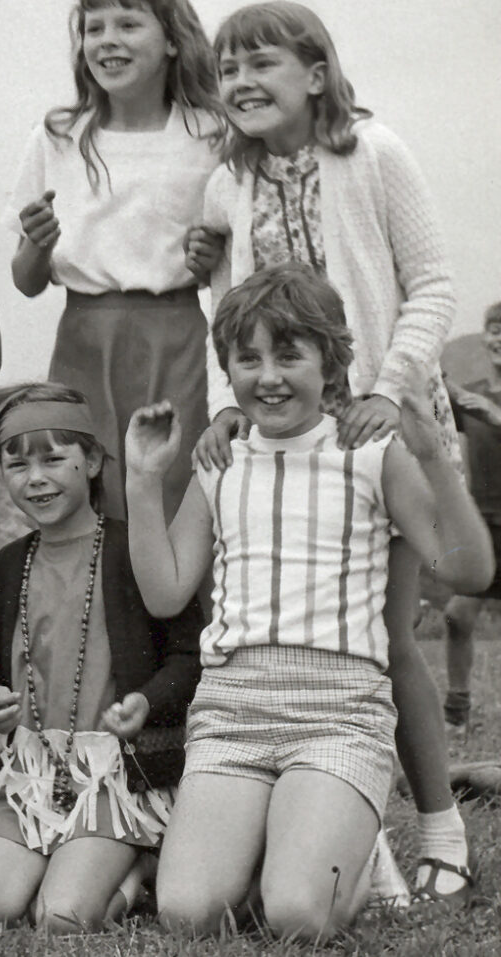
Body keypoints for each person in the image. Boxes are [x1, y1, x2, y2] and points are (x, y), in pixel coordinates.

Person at [187, 1, 470, 903]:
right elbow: (235, 316)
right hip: (281, 426)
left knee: (385, 636)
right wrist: (228, 403)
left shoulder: (373, 153)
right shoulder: (227, 182)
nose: (240, 82)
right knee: (311, 625)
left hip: (373, 423)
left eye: (261, 63)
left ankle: (439, 825)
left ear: (317, 73)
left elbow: (431, 283)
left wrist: (388, 390)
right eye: (227, 69)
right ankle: (344, 832)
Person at [125, 265, 492, 940]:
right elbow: (165, 588)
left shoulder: (370, 456)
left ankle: (353, 844)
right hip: (232, 713)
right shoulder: (222, 462)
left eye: (289, 354)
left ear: (331, 360)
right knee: (187, 910)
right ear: (228, 369)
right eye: (249, 358)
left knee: (299, 914)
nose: (268, 376)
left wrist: (435, 458)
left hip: (338, 711)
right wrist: (144, 482)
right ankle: (301, 833)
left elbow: (469, 570)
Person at [0, 384, 201, 933]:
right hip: (33, 772)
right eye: (16, 464)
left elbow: (188, 657)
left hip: (117, 773)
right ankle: (63, 864)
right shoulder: (11, 562)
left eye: (53, 458)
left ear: (90, 461)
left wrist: (146, 700)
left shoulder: (134, 548)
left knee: (61, 918)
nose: (34, 477)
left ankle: (138, 866)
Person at [6, 0, 223, 518]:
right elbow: (27, 281)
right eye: (94, 28)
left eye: (128, 24)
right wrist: (36, 244)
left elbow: (227, 259)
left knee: (174, 486)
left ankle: (178, 603)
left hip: (177, 340)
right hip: (83, 339)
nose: (108, 41)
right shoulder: (59, 136)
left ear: (173, 41)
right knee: (88, 491)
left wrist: (211, 259)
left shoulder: (208, 135)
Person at [444, 303, 501, 740]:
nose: (498, 337)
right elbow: (435, 404)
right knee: (457, 616)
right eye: (493, 330)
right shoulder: (473, 393)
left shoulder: (484, 402)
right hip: (481, 523)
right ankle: (457, 710)